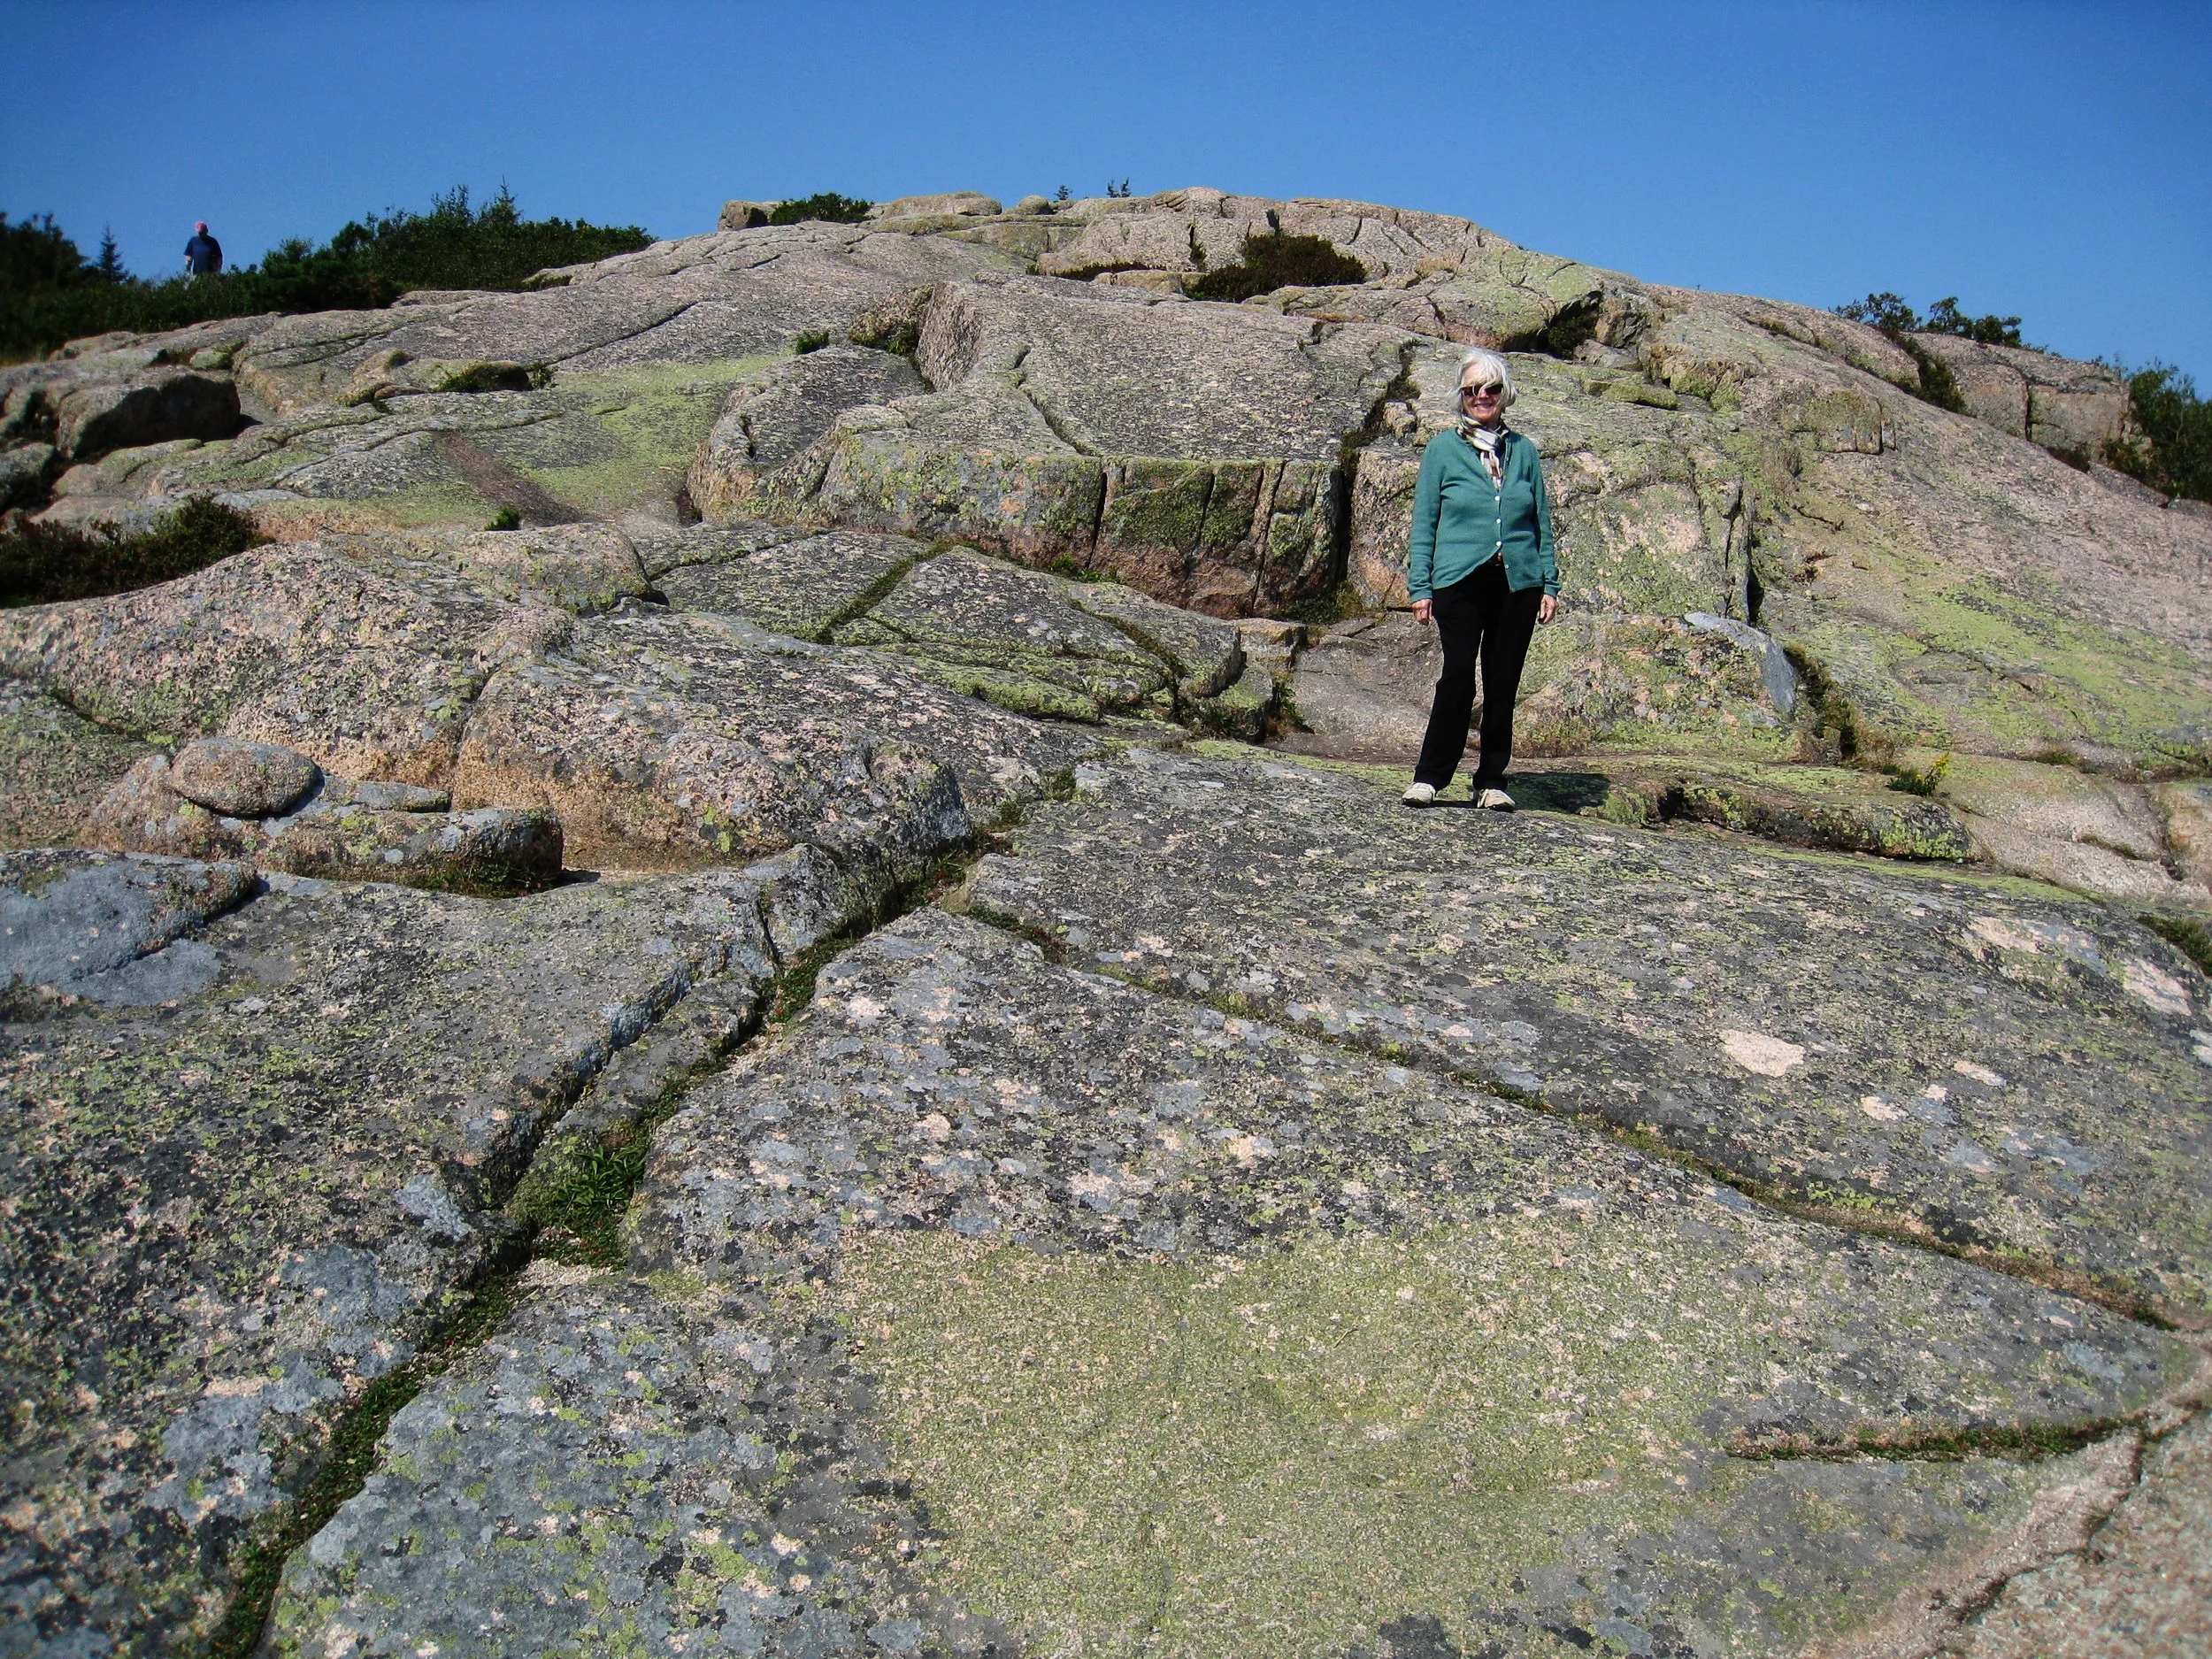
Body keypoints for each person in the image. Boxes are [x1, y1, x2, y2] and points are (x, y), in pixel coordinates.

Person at [1402, 347, 1560, 810]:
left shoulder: (1524, 451)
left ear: (1504, 394)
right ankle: (1430, 777)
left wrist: (1548, 583)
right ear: (1461, 395)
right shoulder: (1442, 450)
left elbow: (1541, 522)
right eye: (1472, 389)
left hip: (1518, 583)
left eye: (1490, 388)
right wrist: (1420, 587)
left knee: (1502, 681)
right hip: (1458, 581)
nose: (1482, 396)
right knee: (1457, 678)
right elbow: (1424, 522)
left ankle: (1491, 780)